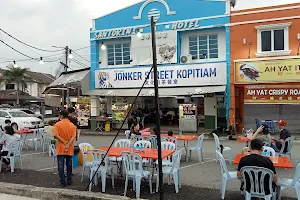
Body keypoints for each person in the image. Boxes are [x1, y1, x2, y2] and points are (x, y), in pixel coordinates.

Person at [54, 110, 77, 187]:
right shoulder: (72, 125)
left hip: (60, 148)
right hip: (69, 148)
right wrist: (68, 144)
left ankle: (63, 182)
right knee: (69, 165)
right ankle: (69, 180)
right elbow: (73, 136)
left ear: (61, 115)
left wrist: (64, 142)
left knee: (61, 165)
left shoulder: (57, 125)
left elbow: (56, 135)